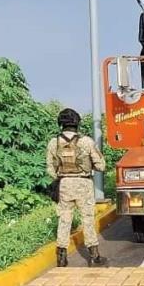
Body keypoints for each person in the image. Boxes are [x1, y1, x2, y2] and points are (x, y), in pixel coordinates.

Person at [46, 108, 108, 267]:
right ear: (77, 123)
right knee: (87, 219)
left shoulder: (54, 142)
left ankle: (61, 257)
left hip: (64, 184)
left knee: (64, 219)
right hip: (83, 183)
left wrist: (62, 177)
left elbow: (50, 169)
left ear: (60, 123)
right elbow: (101, 165)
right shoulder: (86, 141)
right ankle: (94, 256)